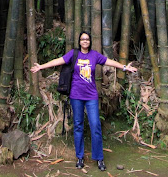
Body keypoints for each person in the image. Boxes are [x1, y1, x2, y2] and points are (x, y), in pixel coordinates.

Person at [31, 30, 137, 171]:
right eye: (82, 39)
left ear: (90, 41)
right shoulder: (74, 54)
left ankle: (99, 158)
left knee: (95, 126)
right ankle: (79, 157)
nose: (85, 41)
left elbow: (109, 61)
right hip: (76, 95)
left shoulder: (94, 55)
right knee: (78, 125)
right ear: (79, 41)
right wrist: (41, 66)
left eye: (87, 39)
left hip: (91, 96)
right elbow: (59, 60)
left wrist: (124, 67)